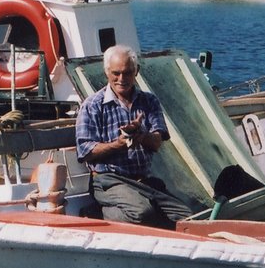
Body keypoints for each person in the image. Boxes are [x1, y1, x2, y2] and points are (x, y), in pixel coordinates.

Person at [76, 45, 193, 228]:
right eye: (116, 73)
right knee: (142, 213)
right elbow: (85, 152)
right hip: (108, 180)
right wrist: (119, 144)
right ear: (107, 72)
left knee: (186, 217)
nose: (122, 79)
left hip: (143, 181)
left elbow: (156, 143)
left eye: (128, 73)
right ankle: (97, 213)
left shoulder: (149, 101)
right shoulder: (92, 105)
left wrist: (141, 136)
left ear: (136, 71)